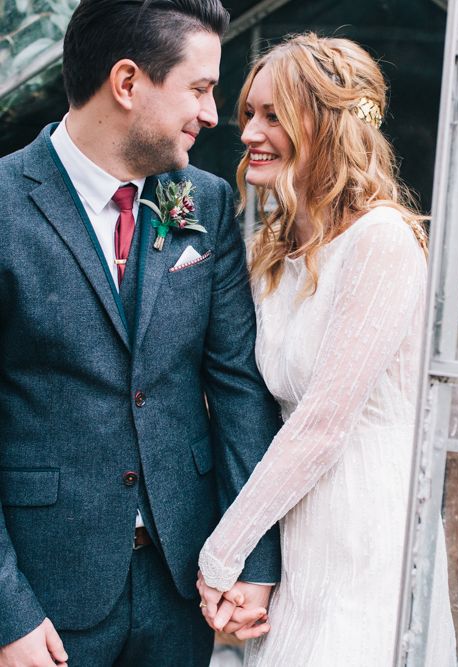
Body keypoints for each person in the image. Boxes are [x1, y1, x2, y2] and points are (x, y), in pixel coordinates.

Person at [0, 1, 282, 665]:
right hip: (44, 597)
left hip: (179, 585)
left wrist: (251, 557)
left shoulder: (203, 202)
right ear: (126, 83)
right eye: (200, 89)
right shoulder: (5, 205)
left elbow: (237, 386)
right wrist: (7, 608)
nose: (213, 116)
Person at [197, 33, 457, 666]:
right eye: (248, 115)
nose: (249, 133)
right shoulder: (278, 246)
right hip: (298, 526)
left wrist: (222, 552)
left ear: (325, 124)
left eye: (273, 115)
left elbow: (321, 425)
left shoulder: (382, 242)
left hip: (362, 523)